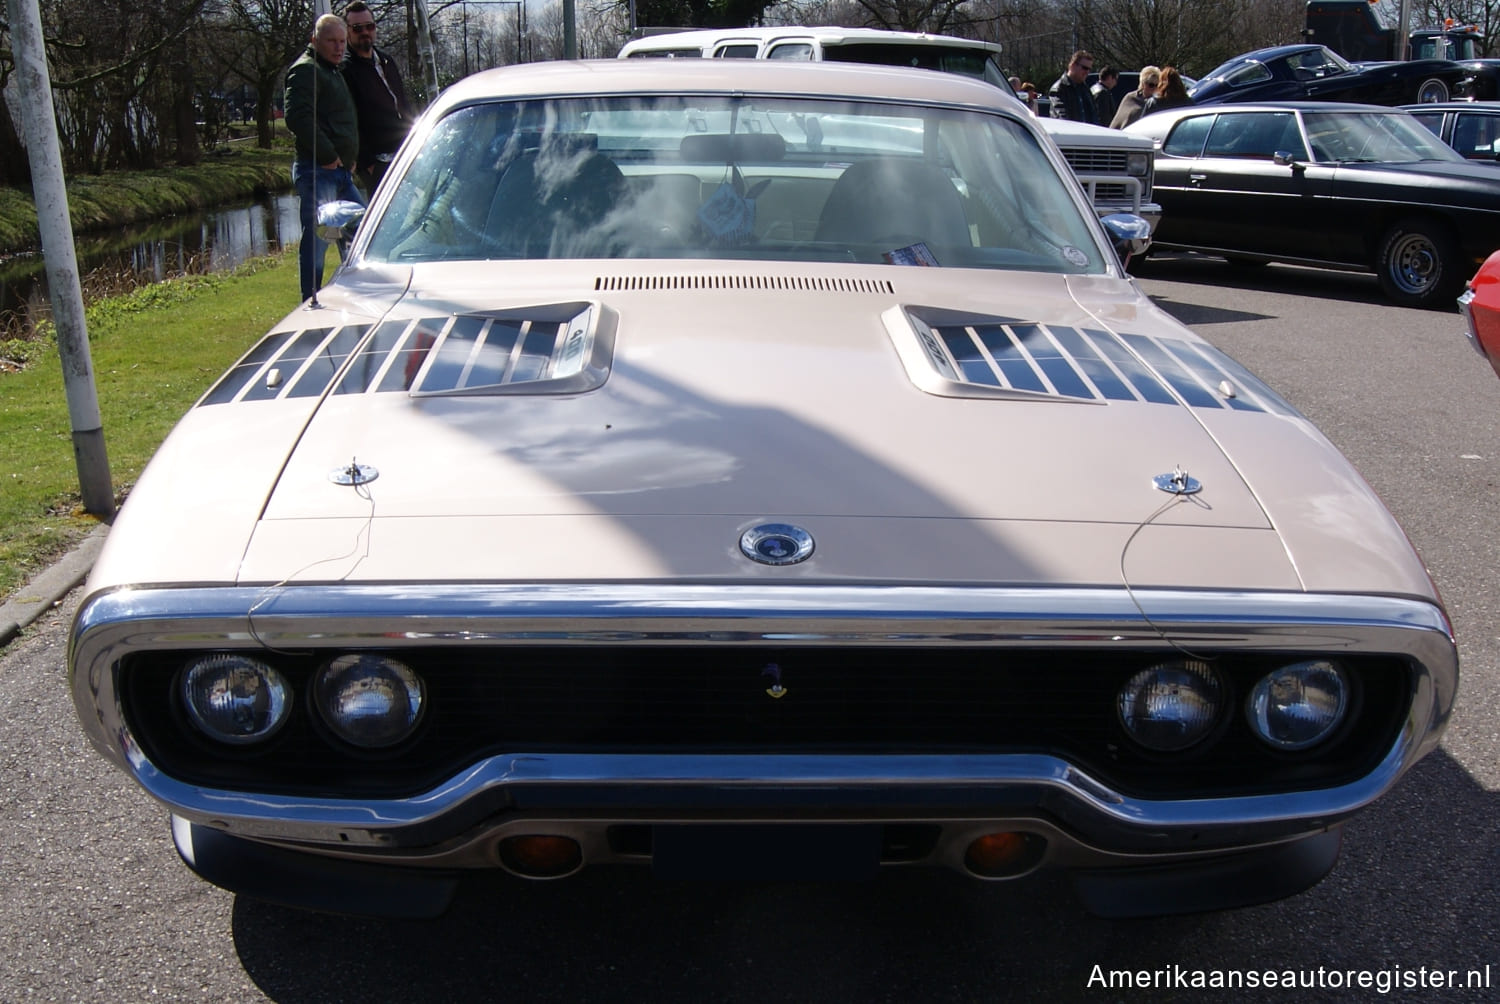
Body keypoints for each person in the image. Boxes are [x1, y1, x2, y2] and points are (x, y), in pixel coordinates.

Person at [284, 13, 364, 302]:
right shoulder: (307, 70)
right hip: (319, 171)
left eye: (342, 41)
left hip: (339, 173)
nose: (338, 47)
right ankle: (311, 300)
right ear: (314, 40)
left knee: (363, 231)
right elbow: (297, 117)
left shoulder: (331, 71)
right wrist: (329, 155)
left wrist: (348, 158)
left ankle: (357, 290)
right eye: (331, 41)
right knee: (320, 240)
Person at [340, 1, 415, 195]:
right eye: (357, 28)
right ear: (347, 31)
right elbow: (349, 122)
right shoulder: (345, 70)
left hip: (404, 153)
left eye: (369, 26)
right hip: (377, 163)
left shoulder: (387, 61)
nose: (365, 32)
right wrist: (368, 164)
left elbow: (403, 104)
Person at [1048, 50, 1097, 123]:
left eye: (1089, 69)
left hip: (1087, 132)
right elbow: (1061, 117)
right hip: (1069, 132)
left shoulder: (1085, 89)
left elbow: (1094, 115)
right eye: (1085, 68)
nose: (1087, 72)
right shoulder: (1059, 88)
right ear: (1072, 65)